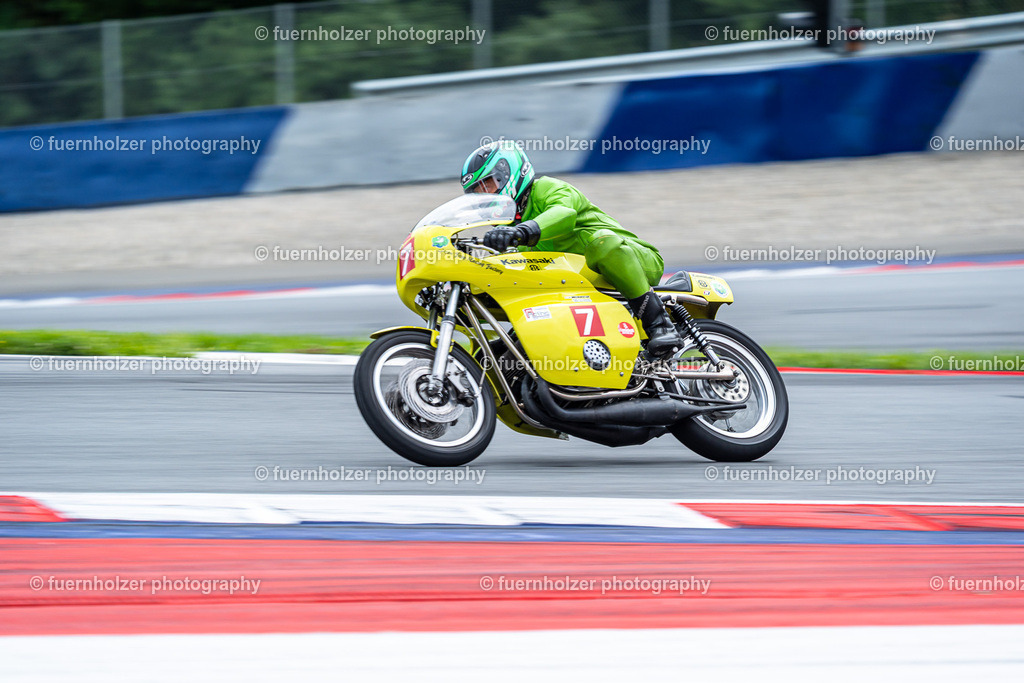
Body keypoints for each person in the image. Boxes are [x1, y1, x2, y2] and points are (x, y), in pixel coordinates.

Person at [460, 140, 684, 358]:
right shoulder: (510, 228)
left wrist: (522, 232)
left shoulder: (546, 188)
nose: (485, 196)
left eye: (488, 185)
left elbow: (564, 214)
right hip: (585, 284)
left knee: (602, 243)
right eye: (478, 193)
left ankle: (659, 324)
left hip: (637, 261)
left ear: (507, 174)